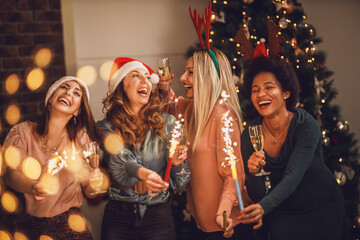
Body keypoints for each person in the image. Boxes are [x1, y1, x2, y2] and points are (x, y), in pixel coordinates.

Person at [237, 56, 345, 240]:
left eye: (269, 87)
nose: (261, 94)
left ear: (286, 92)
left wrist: (263, 207)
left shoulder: (306, 125)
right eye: (255, 90)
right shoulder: (249, 135)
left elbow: (293, 176)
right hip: (284, 211)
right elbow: (259, 194)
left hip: (321, 207)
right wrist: (254, 172)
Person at [159, 48, 254, 240]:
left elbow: (234, 173)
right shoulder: (191, 108)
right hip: (202, 223)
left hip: (226, 225)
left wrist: (224, 212)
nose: (183, 78)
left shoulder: (223, 114)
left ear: (208, 76)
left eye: (191, 72)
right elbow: (162, 107)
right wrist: (161, 88)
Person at [98, 57, 190, 240]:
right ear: (120, 86)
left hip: (158, 217)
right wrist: (145, 174)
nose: (145, 81)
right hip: (118, 217)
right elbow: (120, 158)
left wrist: (179, 164)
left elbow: (180, 184)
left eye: (148, 77)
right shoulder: (105, 127)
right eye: (136, 75)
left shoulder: (168, 124)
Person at [3, 76, 103, 239]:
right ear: (50, 99)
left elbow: (89, 190)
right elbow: (10, 174)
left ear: (77, 110)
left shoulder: (80, 141)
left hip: (73, 229)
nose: (69, 93)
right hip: (35, 230)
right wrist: (34, 187)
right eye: (64, 87)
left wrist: (94, 183)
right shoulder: (22, 133)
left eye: (76, 93)